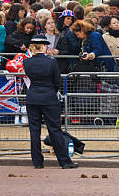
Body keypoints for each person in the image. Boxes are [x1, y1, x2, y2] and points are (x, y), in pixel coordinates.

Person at [23, 35, 78, 169]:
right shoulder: (51, 62)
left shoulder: (26, 62)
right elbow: (57, 82)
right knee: (55, 130)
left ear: (33, 47)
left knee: (34, 131)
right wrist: (50, 91)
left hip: (33, 97)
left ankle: (37, 162)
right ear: (44, 46)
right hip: (48, 97)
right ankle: (64, 161)